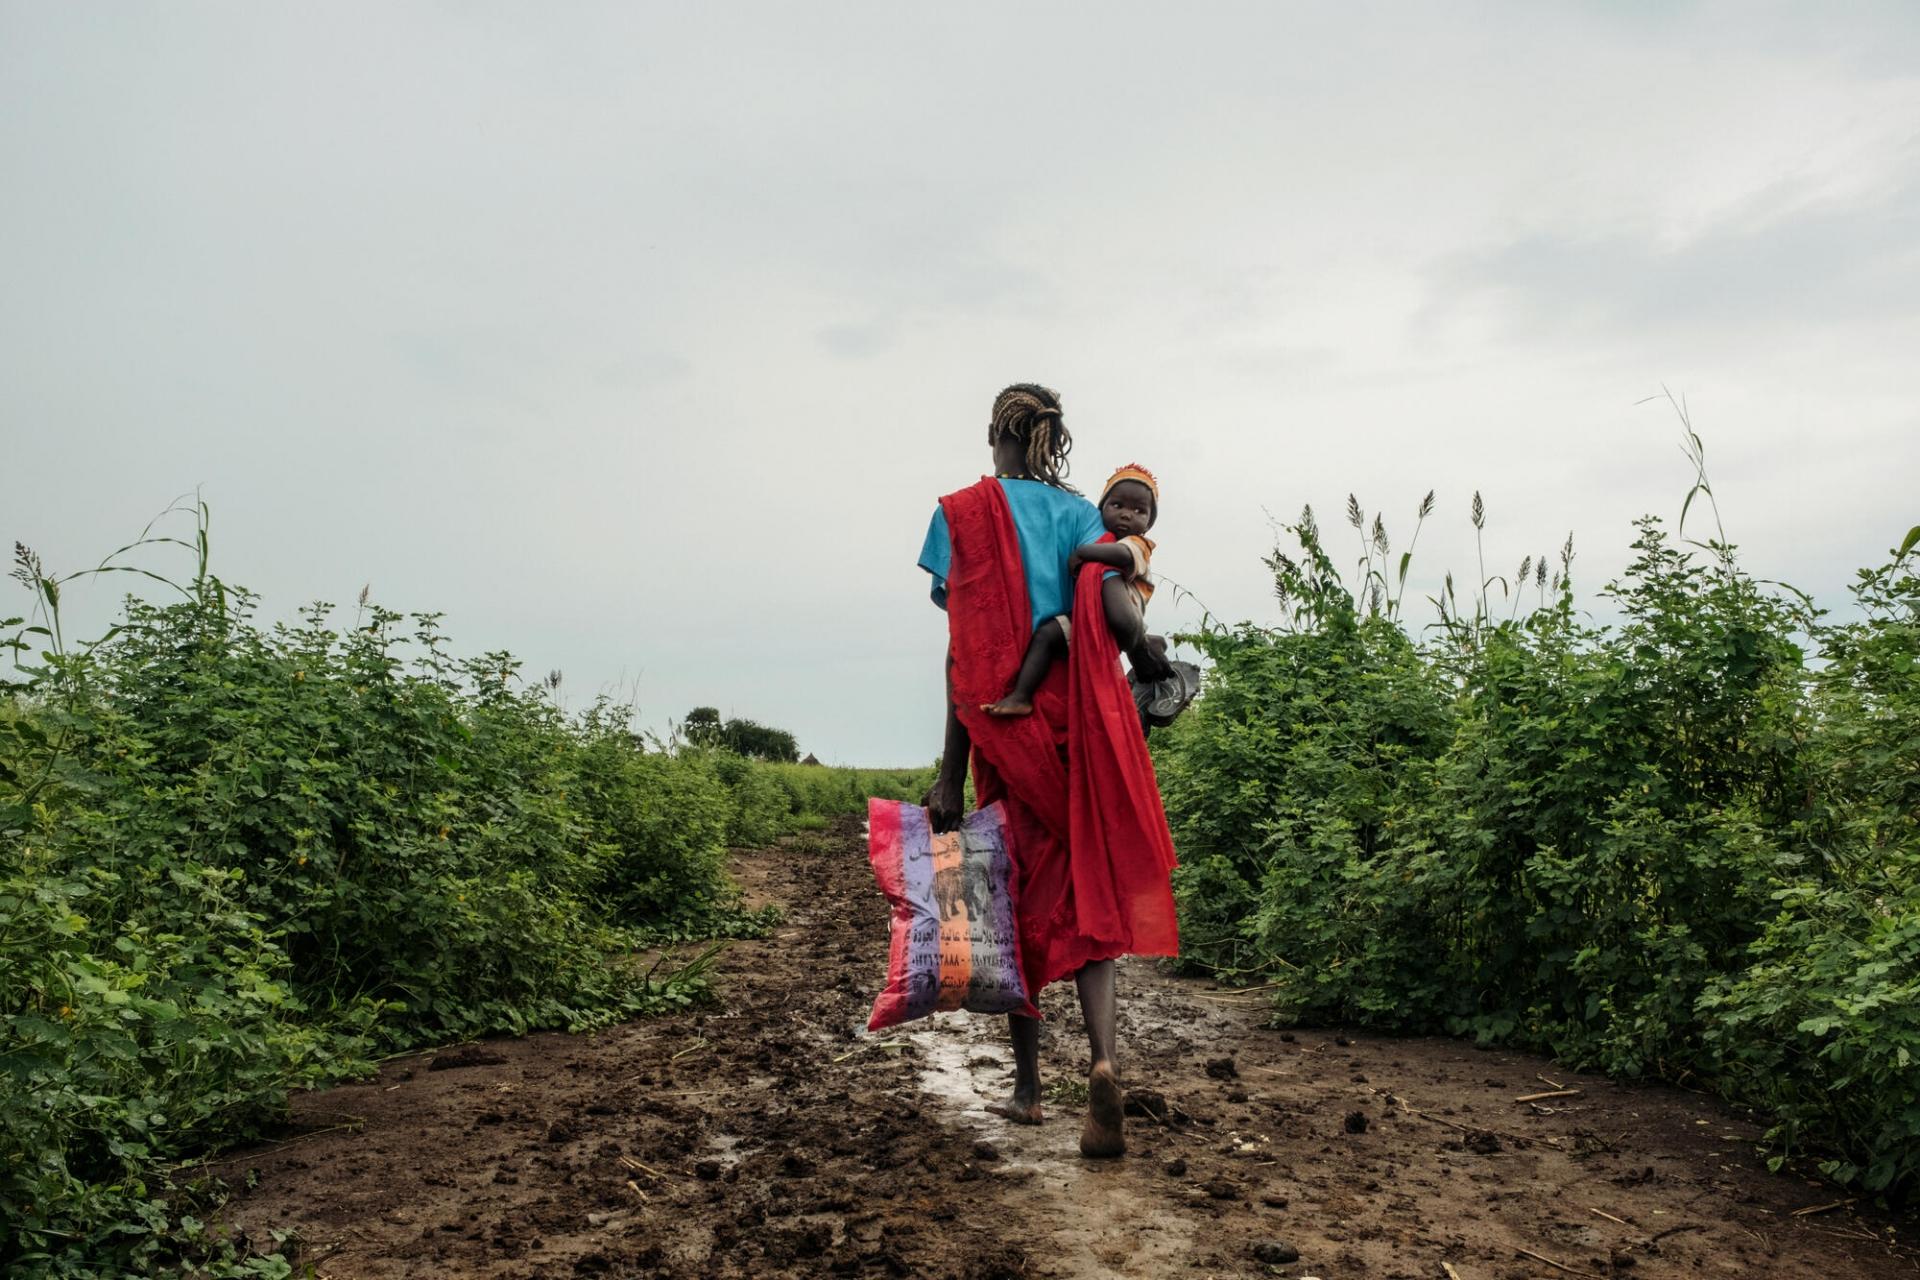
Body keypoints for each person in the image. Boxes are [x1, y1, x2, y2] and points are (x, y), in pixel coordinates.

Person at [917, 383, 1181, 1159]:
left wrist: (949, 774)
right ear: (1053, 439)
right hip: (1078, 735)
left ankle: (1029, 1091)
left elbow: (965, 657)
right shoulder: (1083, 518)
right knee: (1088, 896)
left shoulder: (960, 514)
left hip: (1006, 730)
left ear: (995, 430)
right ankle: (1101, 1059)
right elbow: (1110, 613)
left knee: (1011, 901)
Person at [981, 463, 1168, 718]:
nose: (1127, 515)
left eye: (1139, 511)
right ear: (1101, 508)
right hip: (1092, 618)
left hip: (1113, 617)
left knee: (1049, 636)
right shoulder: (1095, 534)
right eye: (1118, 505)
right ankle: (1021, 697)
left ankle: (1143, 642)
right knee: (1046, 635)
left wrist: (1083, 552)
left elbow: (1123, 556)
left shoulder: (1139, 544)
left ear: (1149, 523)